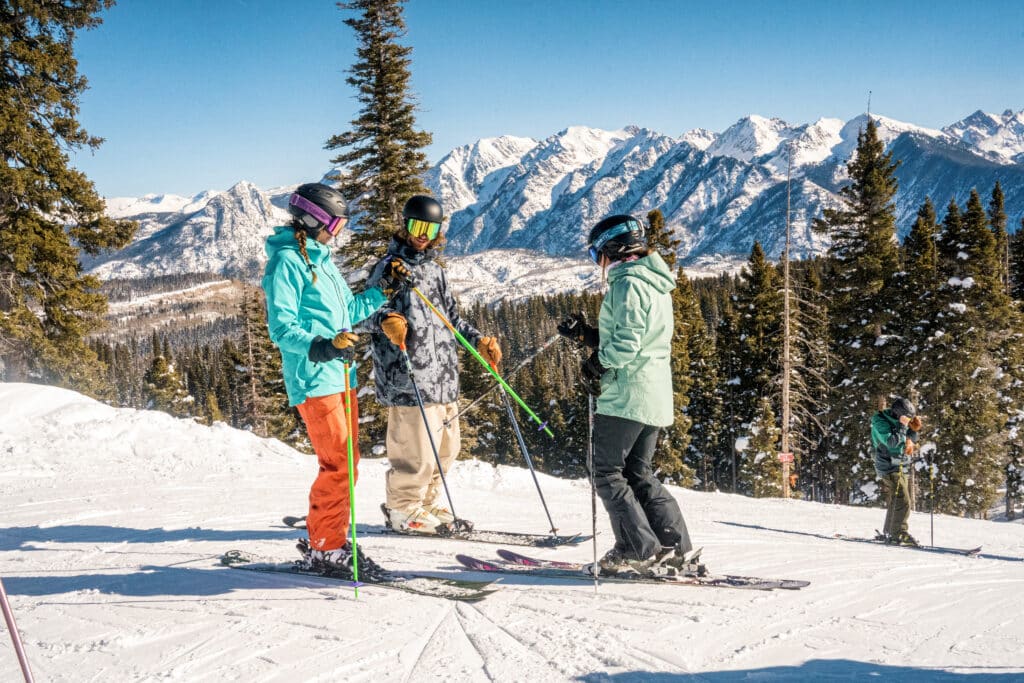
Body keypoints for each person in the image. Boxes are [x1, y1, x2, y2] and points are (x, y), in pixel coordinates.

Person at [261, 182, 409, 577]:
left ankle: (331, 537)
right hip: (313, 376)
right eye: (335, 224)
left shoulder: (321, 259)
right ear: (312, 219)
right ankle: (326, 547)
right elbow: (281, 328)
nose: (338, 232)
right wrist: (322, 346)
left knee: (349, 463)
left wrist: (384, 290)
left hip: (342, 374)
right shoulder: (287, 263)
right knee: (338, 464)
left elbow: (349, 309)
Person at [558, 214, 695, 577]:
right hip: (652, 392)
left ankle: (636, 548)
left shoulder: (627, 284)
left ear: (613, 248)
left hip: (627, 393)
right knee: (638, 472)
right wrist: (587, 334)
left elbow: (627, 343)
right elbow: (635, 335)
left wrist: (597, 365)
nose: (597, 262)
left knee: (606, 471)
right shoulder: (653, 282)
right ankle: (673, 547)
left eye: (596, 254)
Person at [366, 195, 502, 534]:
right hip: (408, 377)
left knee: (445, 451)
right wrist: (385, 319)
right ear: (405, 225)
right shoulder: (388, 269)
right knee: (416, 455)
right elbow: (362, 313)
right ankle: (403, 508)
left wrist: (479, 340)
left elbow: (451, 320)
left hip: (443, 380)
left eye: (429, 228)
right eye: (416, 226)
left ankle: (427, 503)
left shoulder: (435, 272)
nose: (422, 234)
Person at [871, 397, 923, 546]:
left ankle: (889, 531)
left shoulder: (902, 420)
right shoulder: (880, 421)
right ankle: (898, 533)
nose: (908, 419)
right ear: (898, 414)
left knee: (897, 500)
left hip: (900, 465)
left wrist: (913, 432)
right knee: (903, 500)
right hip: (888, 466)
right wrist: (902, 426)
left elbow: (909, 440)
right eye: (907, 417)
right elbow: (892, 442)